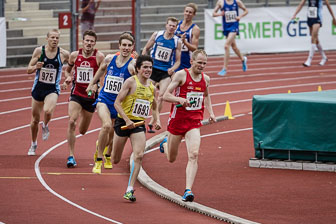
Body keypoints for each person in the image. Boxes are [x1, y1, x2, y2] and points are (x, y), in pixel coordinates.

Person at [159, 49, 216, 202]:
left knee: (194, 154)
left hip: (193, 122)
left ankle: (188, 190)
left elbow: (206, 95)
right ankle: (165, 145)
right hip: (177, 122)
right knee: (171, 158)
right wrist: (180, 100)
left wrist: (211, 112)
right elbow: (165, 95)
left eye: (204, 63)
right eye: (199, 62)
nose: (202, 66)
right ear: (192, 61)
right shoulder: (181, 75)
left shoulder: (206, 79)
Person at [112, 55, 160, 202]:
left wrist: (156, 119)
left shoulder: (152, 87)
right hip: (123, 123)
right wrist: (127, 119)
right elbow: (117, 103)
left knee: (138, 155)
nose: (148, 70)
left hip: (138, 125)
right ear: (138, 68)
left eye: (150, 67)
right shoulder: (131, 82)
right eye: (145, 67)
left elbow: (155, 105)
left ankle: (130, 189)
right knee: (115, 159)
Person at [86, 32, 136, 174]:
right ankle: (99, 159)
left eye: (129, 46)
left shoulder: (132, 65)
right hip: (105, 99)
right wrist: (92, 84)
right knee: (106, 125)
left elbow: (138, 82)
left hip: (120, 104)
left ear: (132, 47)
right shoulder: (109, 59)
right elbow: (100, 70)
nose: (126, 48)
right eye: (123, 45)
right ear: (119, 46)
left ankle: (107, 154)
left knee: (114, 133)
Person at [62, 30, 104, 167]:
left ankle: (97, 143)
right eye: (87, 40)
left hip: (91, 97)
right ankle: (70, 156)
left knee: (83, 130)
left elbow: (104, 75)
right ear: (83, 41)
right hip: (77, 93)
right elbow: (67, 70)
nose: (89, 43)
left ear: (95, 43)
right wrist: (68, 77)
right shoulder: (75, 55)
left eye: (92, 41)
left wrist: (97, 85)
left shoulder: (99, 57)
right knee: (72, 122)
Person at [27, 29, 70, 156]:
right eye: (52, 37)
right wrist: (36, 67)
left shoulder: (63, 54)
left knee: (48, 111)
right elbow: (28, 70)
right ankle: (33, 144)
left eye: (57, 38)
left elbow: (72, 66)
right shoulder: (39, 51)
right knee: (34, 120)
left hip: (52, 89)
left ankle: (45, 125)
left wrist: (68, 77)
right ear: (47, 38)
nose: (55, 40)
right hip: (38, 88)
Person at [142, 17, 182, 133]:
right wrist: (144, 62)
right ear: (166, 25)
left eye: (174, 26)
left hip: (165, 72)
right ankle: (142, 116)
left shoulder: (176, 41)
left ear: (176, 27)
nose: (171, 28)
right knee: (147, 92)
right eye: (170, 25)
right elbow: (146, 48)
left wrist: (172, 68)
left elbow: (178, 61)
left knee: (161, 97)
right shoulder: (157, 35)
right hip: (152, 69)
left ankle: (153, 121)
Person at [291, 0, 336, 67]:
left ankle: (309, 60)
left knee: (313, 38)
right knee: (315, 38)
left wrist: (333, 17)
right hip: (310, 18)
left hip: (318, 18)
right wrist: (295, 14)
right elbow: (301, 4)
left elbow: (328, 6)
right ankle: (324, 57)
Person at [212, 0, 248, 76]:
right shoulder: (221, 2)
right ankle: (243, 59)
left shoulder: (237, 2)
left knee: (226, 46)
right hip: (226, 27)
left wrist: (240, 16)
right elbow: (213, 14)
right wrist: (220, 14)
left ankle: (224, 68)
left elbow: (246, 11)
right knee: (234, 47)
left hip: (234, 26)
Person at [175, 3, 201, 71]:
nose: (188, 14)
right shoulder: (176, 25)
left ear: (194, 14)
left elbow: (195, 48)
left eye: (190, 12)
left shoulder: (195, 29)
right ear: (184, 12)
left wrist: (184, 42)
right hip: (174, 60)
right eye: (186, 11)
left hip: (186, 61)